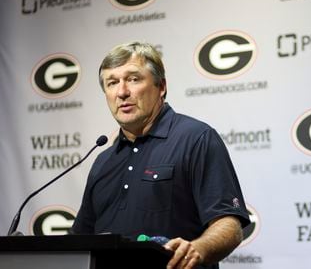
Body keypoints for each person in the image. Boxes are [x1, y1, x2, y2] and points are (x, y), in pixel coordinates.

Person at [71, 41, 250, 269]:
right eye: (112, 83)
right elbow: (80, 239)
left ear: (161, 86)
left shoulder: (196, 138)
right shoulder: (102, 161)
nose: (122, 92)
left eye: (134, 79)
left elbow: (229, 224)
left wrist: (199, 248)